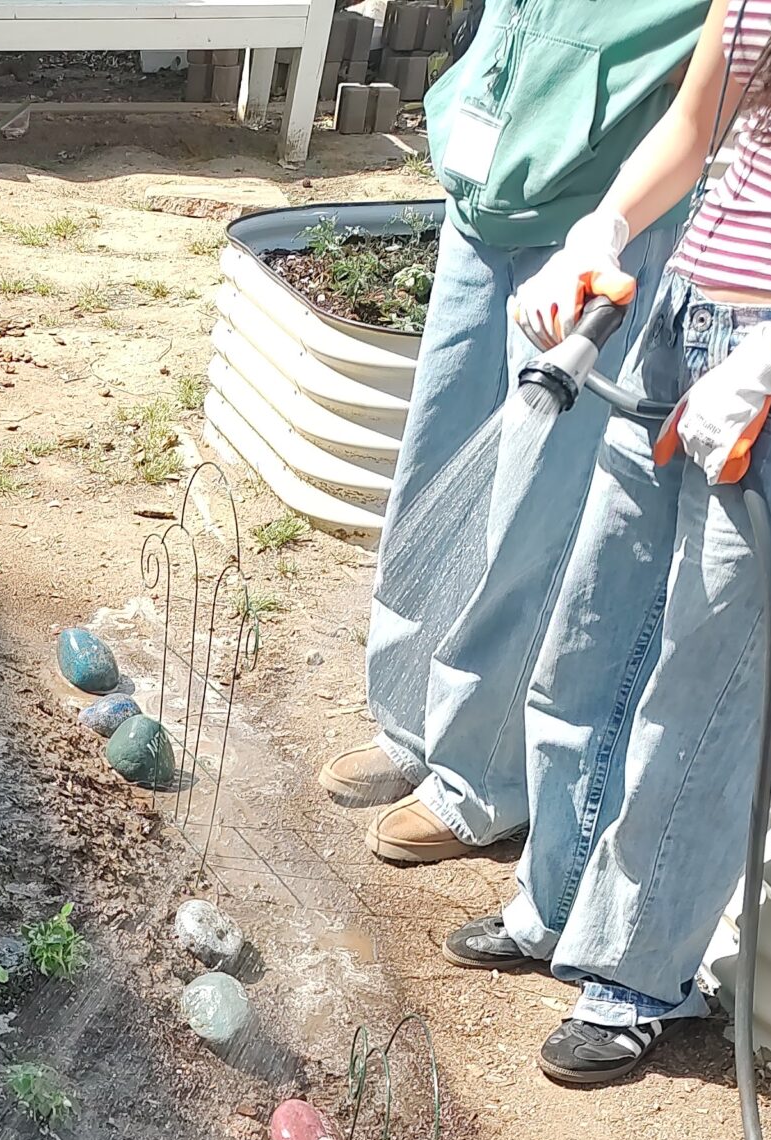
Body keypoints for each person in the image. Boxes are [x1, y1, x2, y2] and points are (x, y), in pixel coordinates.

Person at [443, 0, 771, 1084]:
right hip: (682, 316)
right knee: (596, 627)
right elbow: (694, 128)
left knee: (708, 681)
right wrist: (603, 229)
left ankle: (641, 972)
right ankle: (554, 901)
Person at [321, 0, 704, 864]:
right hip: (487, 186)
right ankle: (411, 721)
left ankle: (481, 775)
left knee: (530, 505)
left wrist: (611, 225)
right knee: (435, 465)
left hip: (599, 209)